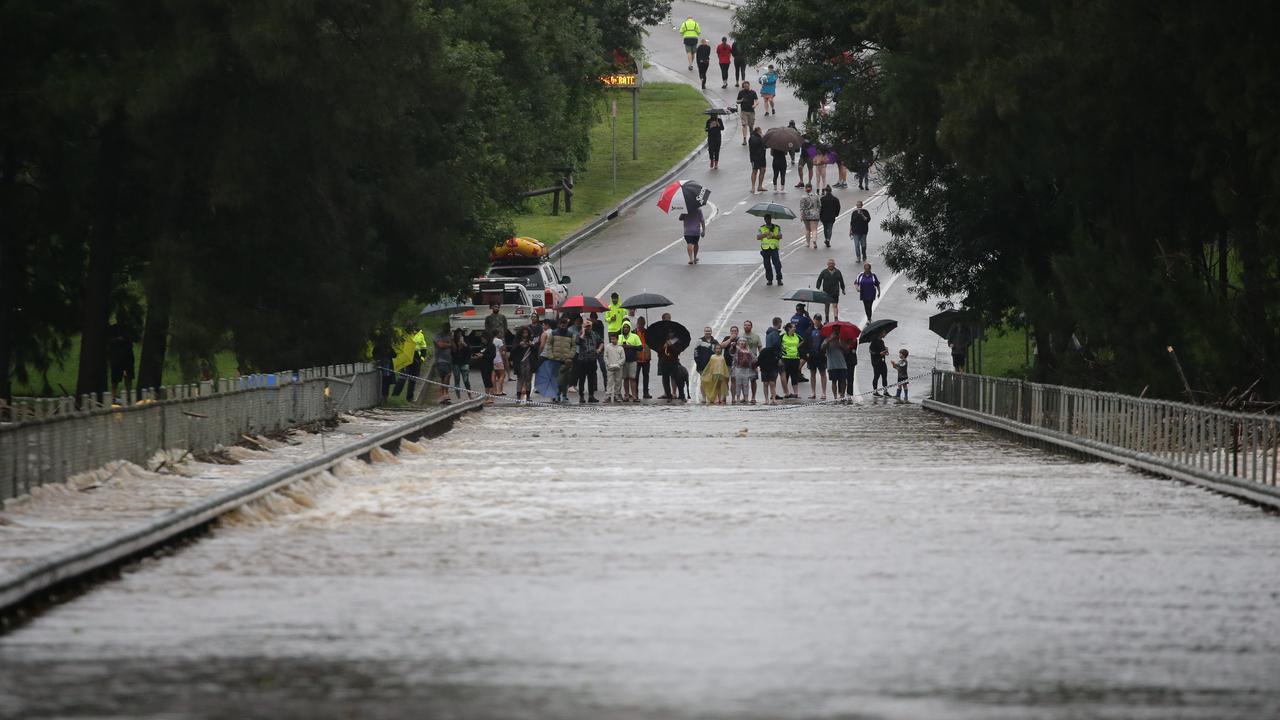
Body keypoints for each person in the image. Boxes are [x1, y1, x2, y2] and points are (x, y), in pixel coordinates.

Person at [107, 320, 136, 400]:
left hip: (127, 356)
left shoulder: (129, 328)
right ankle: (113, 395)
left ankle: (129, 395)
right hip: (116, 356)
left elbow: (133, 339)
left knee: (128, 375)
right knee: (115, 377)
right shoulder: (113, 329)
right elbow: (109, 341)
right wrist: (118, 340)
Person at [576, 318, 601, 403]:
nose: (588, 328)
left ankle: (591, 396)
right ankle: (581, 396)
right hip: (582, 360)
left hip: (592, 360)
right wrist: (583, 331)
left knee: (591, 379)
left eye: (589, 326)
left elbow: (601, 342)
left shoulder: (594, 334)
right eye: (586, 326)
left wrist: (599, 349)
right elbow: (578, 341)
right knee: (582, 379)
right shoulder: (580, 334)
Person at [657, 330, 686, 402]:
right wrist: (663, 348)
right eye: (669, 333)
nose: (670, 334)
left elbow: (678, 352)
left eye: (671, 332)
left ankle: (682, 395)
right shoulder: (663, 341)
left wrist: (671, 345)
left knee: (678, 379)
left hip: (674, 362)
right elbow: (659, 353)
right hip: (664, 363)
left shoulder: (677, 341)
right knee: (665, 380)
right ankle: (669, 396)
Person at [760, 317, 783, 404]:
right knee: (772, 381)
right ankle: (773, 398)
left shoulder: (769, 333)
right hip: (773, 359)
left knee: (766, 382)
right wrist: (779, 357)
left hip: (767, 359)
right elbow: (776, 347)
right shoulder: (775, 334)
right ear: (779, 323)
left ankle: (768, 399)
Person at [511, 325, 535, 403]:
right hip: (520, 363)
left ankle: (528, 396)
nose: (525, 334)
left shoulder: (531, 340)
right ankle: (518, 396)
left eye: (526, 333)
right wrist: (519, 345)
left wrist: (532, 346)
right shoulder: (517, 341)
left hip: (529, 362)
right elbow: (512, 352)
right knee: (520, 379)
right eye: (523, 333)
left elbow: (535, 351)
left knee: (528, 380)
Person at [740, 319, 763, 403]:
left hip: (753, 361)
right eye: (745, 325)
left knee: (753, 380)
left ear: (751, 326)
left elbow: (760, 348)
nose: (746, 326)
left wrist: (760, 359)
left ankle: (753, 397)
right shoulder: (741, 336)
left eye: (748, 325)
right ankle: (745, 396)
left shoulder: (756, 336)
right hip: (742, 361)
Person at [757, 213, 783, 286]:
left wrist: (773, 236)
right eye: (766, 219)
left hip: (774, 248)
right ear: (764, 220)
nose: (767, 220)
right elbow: (758, 237)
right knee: (767, 265)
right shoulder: (761, 228)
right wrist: (765, 234)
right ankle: (769, 280)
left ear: (771, 219)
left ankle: (779, 279)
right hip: (765, 249)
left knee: (777, 265)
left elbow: (780, 236)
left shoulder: (777, 227)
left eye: (769, 219)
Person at [806, 315, 827, 400]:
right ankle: (813, 392)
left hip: (821, 355)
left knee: (823, 373)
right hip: (812, 355)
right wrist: (807, 352)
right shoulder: (809, 330)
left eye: (819, 320)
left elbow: (826, 341)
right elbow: (806, 342)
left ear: (820, 321)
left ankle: (823, 393)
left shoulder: (824, 330)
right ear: (814, 320)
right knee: (812, 374)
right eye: (816, 320)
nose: (817, 321)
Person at [717, 325, 741, 402]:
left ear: (737, 332)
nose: (733, 332)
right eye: (732, 331)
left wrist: (735, 345)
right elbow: (721, 346)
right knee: (725, 381)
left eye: (735, 331)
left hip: (736, 364)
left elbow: (742, 348)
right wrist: (730, 339)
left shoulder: (740, 339)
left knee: (734, 381)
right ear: (730, 332)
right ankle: (724, 397)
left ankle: (733, 398)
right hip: (726, 363)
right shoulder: (727, 338)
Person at [780, 322, 803, 399]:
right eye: (793, 327)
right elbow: (778, 343)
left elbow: (803, 341)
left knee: (794, 375)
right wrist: (782, 349)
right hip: (785, 358)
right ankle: (786, 393)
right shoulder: (783, 336)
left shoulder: (797, 336)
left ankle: (796, 393)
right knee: (785, 375)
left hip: (795, 358)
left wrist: (797, 347)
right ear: (789, 328)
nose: (795, 328)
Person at [619, 321, 642, 401]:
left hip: (632, 360)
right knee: (625, 378)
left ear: (629, 328)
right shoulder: (619, 337)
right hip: (623, 361)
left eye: (627, 327)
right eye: (624, 327)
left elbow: (640, 348)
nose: (625, 329)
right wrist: (621, 346)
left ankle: (634, 396)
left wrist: (630, 346)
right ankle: (626, 395)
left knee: (632, 378)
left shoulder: (634, 336)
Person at [433, 323, 454, 405]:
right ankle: (444, 393)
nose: (448, 328)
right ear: (443, 327)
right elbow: (440, 344)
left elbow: (454, 347)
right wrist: (449, 345)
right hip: (440, 360)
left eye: (449, 327)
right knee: (447, 375)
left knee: (445, 378)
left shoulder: (449, 336)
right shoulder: (438, 335)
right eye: (446, 327)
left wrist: (451, 339)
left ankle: (443, 395)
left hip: (449, 360)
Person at [823, 333, 848, 400]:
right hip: (832, 364)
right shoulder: (827, 339)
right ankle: (835, 397)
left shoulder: (842, 340)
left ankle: (842, 395)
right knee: (834, 381)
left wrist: (841, 345)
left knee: (843, 380)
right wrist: (828, 340)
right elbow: (822, 348)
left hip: (842, 364)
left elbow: (847, 350)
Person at [450, 329, 472, 400]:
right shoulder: (453, 342)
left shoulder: (466, 340)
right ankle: (458, 397)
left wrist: (464, 344)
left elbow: (469, 350)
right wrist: (458, 344)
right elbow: (454, 351)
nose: (459, 336)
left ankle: (469, 395)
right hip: (456, 362)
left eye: (460, 334)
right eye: (457, 334)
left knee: (466, 380)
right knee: (457, 379)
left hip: (464, 362)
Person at [732, 339, 756, 404]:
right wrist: (733, 346)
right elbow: (732, 351)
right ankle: (738, 398)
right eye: (741, 341)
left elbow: (753, 358)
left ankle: (746, 398)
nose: (742, 342)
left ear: (746, 343)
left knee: (746, 384)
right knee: (738, 384)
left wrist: (754, 364)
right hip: (738, 368)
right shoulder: (737, 349)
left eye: (744, 341)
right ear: (738, 343)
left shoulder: (748, 350)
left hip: (746, 369)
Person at [603, 333, 625, 403]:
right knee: (609, 381)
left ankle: (617, 395)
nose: (612, 340)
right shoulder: (608, 347)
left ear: (617, 339)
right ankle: (608, 396)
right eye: (611, 339)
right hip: (610, 367)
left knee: (618, 381)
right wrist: (608, 364)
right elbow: (605, 356)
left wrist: (619, 364)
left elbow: (623, 358)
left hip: (618, 367)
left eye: (614, 339)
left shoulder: (620, 348)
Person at [635, 316, 652, 399]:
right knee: (636, 376)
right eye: (640, 325)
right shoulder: (634, 333)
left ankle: (646, 393)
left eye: (642, 325)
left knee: (646, 376)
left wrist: (650, 331)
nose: (641, 326)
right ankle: (636, 393)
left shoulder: (648, 332)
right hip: (637, 358)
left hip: (646, 357)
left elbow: (652, 342)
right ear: (637, 324)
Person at [737, 81, 758, 145]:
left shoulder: (753, 92)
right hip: (744, 111)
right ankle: (744, 139)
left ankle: (751, 138)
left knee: (751, 126)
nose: (746, 87)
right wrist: (741, 100)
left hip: (751, 111)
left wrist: (755, 105)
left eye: (747, 86)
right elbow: (737, 101)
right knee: (744, 125)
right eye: (745, 86)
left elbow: (757, 101)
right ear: (743, 87)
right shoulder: (741, 92)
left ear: (749, 85)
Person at [799, 183, 819, 248]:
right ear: (811, 188)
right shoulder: (816, 195)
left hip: (806, 215)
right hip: (815, 214)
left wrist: (802, 215)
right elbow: (819, 205)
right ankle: (814, 240)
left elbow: (802, 207)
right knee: (814, 229)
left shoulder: (803, 197)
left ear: (805, 188)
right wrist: (818, 212)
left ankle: (807, 243)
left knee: (807, 229)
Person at [869, 330, 889, 397]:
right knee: (876, 376)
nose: (885, 334)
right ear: (880, 333)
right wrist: (879, 353)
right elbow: (871, 351)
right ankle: (875, 391)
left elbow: (883, 352)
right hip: (876, 362)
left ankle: (885, 391)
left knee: (884, 376)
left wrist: (886, 351)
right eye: (884, 333)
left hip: (882, 361)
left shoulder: (882, 341)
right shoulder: (874, 342)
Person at [748, 126, 767, 193]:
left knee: (763, 170)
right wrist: (762, 138)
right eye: (760, 131)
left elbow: (766, 145)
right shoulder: (752, 137)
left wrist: (763, 139)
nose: (761, 132)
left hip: (762, 156)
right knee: (754, 171)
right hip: (754, 157)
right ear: (757, 131)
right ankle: (753, 187)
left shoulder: (760, 137)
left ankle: (760, 186)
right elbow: (755, 144)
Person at [491, 327, 508, 395]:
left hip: (492, 359)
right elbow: (501, 351)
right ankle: (500, 390)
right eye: (500, 333)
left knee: (494, 375)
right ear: (497, 333)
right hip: (498, 359)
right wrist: (503, 360)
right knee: (502, 375)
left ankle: (494, 390)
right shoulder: (499, 340)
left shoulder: (491, 340)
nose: (500, 334)